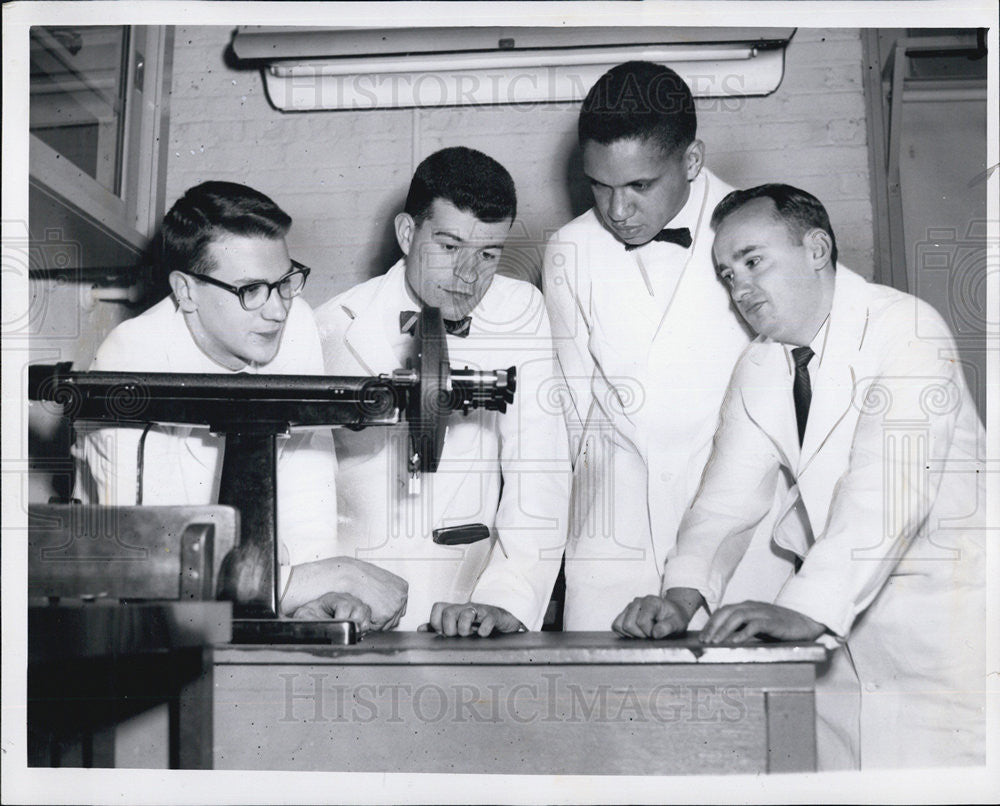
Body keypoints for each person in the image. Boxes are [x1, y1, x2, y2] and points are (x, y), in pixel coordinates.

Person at [613, 184, 986, 769]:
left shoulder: (907, 329)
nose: (739, 287)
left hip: (946, 638)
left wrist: (806, 609)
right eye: (727, 274)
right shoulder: (763, 362)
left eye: (752, 260)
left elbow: (888, 488)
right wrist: (681, 596)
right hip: (844, 650)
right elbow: (723, 504)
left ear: (817, 249)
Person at [73, 181, 407, 630]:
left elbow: (305, 484)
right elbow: (151, 563)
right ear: (186, 291)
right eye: (251, 289)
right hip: (130, 628)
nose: (276, 311)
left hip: (243, 591)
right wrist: (331, 574)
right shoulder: (129, 360)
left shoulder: (295, 325)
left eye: (285, 282)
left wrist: (319, 596)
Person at [543, 61, 795, 629]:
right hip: (612, 543)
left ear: (692, 160)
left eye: (639, 186)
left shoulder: (761, 234)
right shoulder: (569, 249)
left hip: (743, 542)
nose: (617, 211)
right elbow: (570, 414)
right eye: (600, 186)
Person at [315, 147, 570, 636]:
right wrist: (326, 590)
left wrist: (507, 598)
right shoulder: (331, 325)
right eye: (450, 248)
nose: (469, 276)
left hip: (463, 606)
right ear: (408, 233)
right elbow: (306, 485)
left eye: (488, 255)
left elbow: (540, 468)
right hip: (352, 609)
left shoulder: (522, 309)